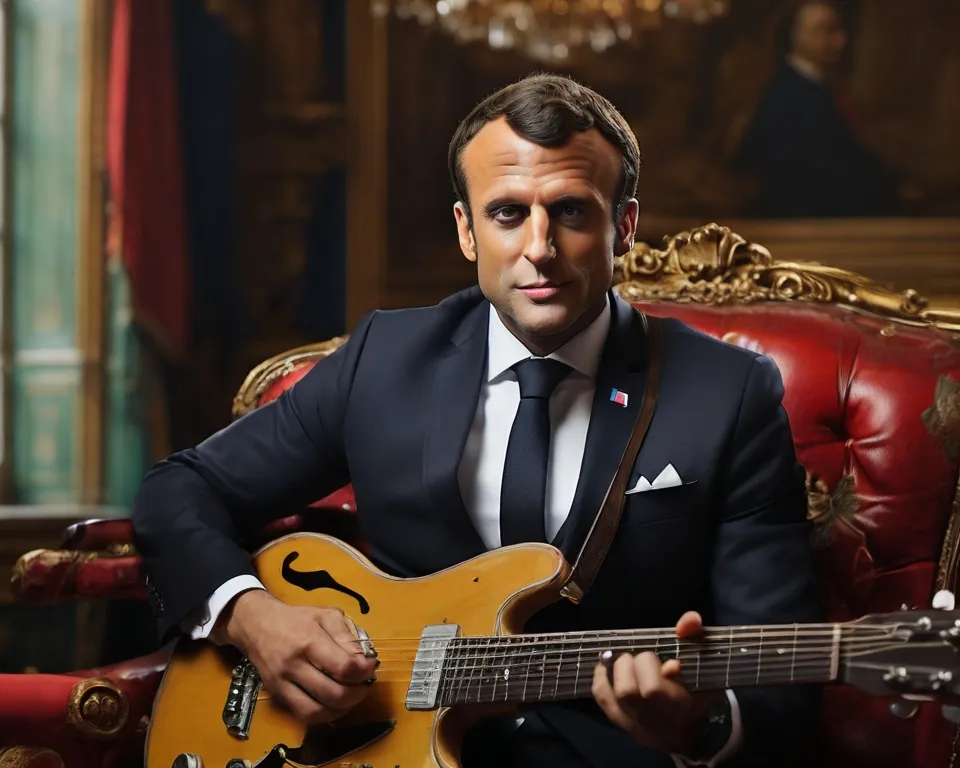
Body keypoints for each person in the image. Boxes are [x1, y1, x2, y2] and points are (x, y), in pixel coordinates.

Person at [133, 73, 823, 767]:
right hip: (371, 745)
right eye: (507, 214)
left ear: (625, 227)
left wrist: (696, 727)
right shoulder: (385, 359)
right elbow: (177, 491)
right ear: (467, 230)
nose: (539, 248)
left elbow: (781, 690)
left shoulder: (729, 395)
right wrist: (254, 619)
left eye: (573, 213)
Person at [742, 0, 897, 217]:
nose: (839, 40)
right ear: (795, 36)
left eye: (838, 30)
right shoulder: (786, 97)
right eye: (825, 30)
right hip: (811, 224)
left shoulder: (823, 88)